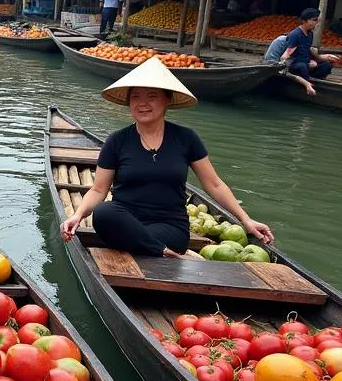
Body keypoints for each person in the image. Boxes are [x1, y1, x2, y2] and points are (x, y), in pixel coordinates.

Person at [60, 57, 273, 258]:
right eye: (136, 97)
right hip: (125, 220)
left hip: (170, 227)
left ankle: (152, 247)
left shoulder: (186, 138)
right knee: (104, 212)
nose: (142, 103)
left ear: (167, 100)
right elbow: (98, 190)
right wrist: (77, 216)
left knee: (152, 237)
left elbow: (214, 184)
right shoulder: (117, 141)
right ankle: (160, 251)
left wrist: (246, 220)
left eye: (151, 96)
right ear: (128, 102)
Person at [284, 8, 340, 89]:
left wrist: (313, 60)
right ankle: (307, 81)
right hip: (295, 65)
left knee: (327, 65)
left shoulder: (310, 34)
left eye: (316, 20)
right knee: (302, 67)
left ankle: (309, 78)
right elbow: (288, 53)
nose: (316, 22)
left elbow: (307, 51)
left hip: (307, 64)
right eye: (314, 20)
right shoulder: (295, 35)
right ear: (304, 21)